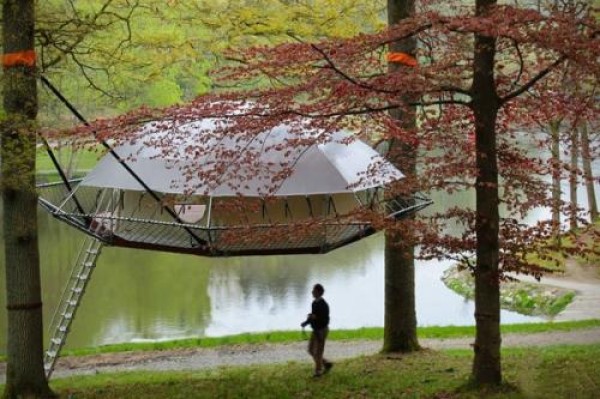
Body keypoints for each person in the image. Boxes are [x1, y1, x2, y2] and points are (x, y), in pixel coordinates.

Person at [301, 283, 333, 377]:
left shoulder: (324, 305)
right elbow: (313, 316)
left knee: (319, 352)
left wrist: (315, 317)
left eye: (314, 291)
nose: (312, 292)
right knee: (311, 350)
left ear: (318, 292)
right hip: (315, 330)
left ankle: (318, 371)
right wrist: (306, 323)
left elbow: (325, 320)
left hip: (322, 330)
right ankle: (326, 363)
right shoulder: (314, 303)